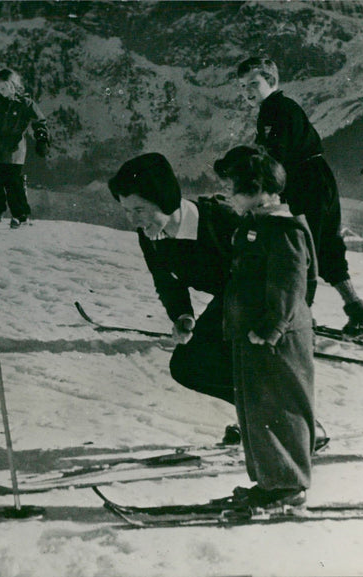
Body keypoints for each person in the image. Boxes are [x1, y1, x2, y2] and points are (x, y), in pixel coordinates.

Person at [109, 152, 328, 449]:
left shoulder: (222, 220)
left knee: (229, 363)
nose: (133, 220)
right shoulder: (151, 235)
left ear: (164, 199)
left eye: (140, 209)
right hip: (231, 302)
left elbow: (290, 264)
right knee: (189, 366)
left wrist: (285, 318)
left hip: (264, 305)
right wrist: (182, 315)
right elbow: (166, 281)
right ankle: (256, 415)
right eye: (126, 211)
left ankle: (298, 426)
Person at [235, 56, 363, 336]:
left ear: (272, 81)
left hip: (303, 182)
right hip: (320, 178)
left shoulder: (273, 109)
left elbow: (274, 157)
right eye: (242, 86)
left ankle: (298, 321)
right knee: (325, 245)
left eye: (253, 83)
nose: (247, 91)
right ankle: (358, 311)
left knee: (299, 251)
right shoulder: (283, 107)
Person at [222, 147, 318, 509]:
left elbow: (292, 282)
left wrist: (274, 325)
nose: (229, 194)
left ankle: (289, 487)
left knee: (282, 409)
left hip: (276, 336)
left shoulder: (283, 227)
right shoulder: (257, 223)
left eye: (233, 186)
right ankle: (270, 482)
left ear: (256, 187)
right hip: (255, 334)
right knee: (257, 413)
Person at [0, 68, 50, 229]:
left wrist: (41, 138)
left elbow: (39, 121)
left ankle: (20, 215)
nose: (0, 92)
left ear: (13, 85)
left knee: (14, 185)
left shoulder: (26, 104)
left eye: (3, 88)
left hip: (14, 152)